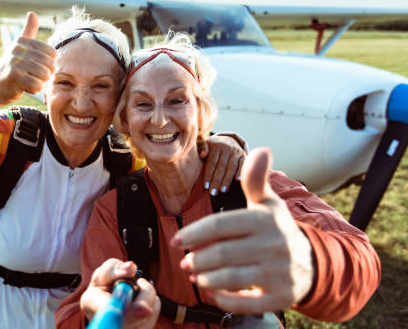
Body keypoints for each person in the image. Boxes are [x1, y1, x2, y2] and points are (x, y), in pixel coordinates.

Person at [0, 10, 246, 328]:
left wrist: (217, 143)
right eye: (65, 82)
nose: (81, 102)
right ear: (44, 89)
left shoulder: (127, 161)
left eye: (101, 86)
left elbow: (174, 141)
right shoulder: (6, 145)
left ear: (120, 101)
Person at [55, 36, 381, 328]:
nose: (159, 119)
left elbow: (360, 263)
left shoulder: (252, 188)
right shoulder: (115, 210)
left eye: (177, 100)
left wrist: (310, 261)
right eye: (142, 104)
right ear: (124, 121)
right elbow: (74, 316)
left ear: (202, 114)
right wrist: (95, 312)